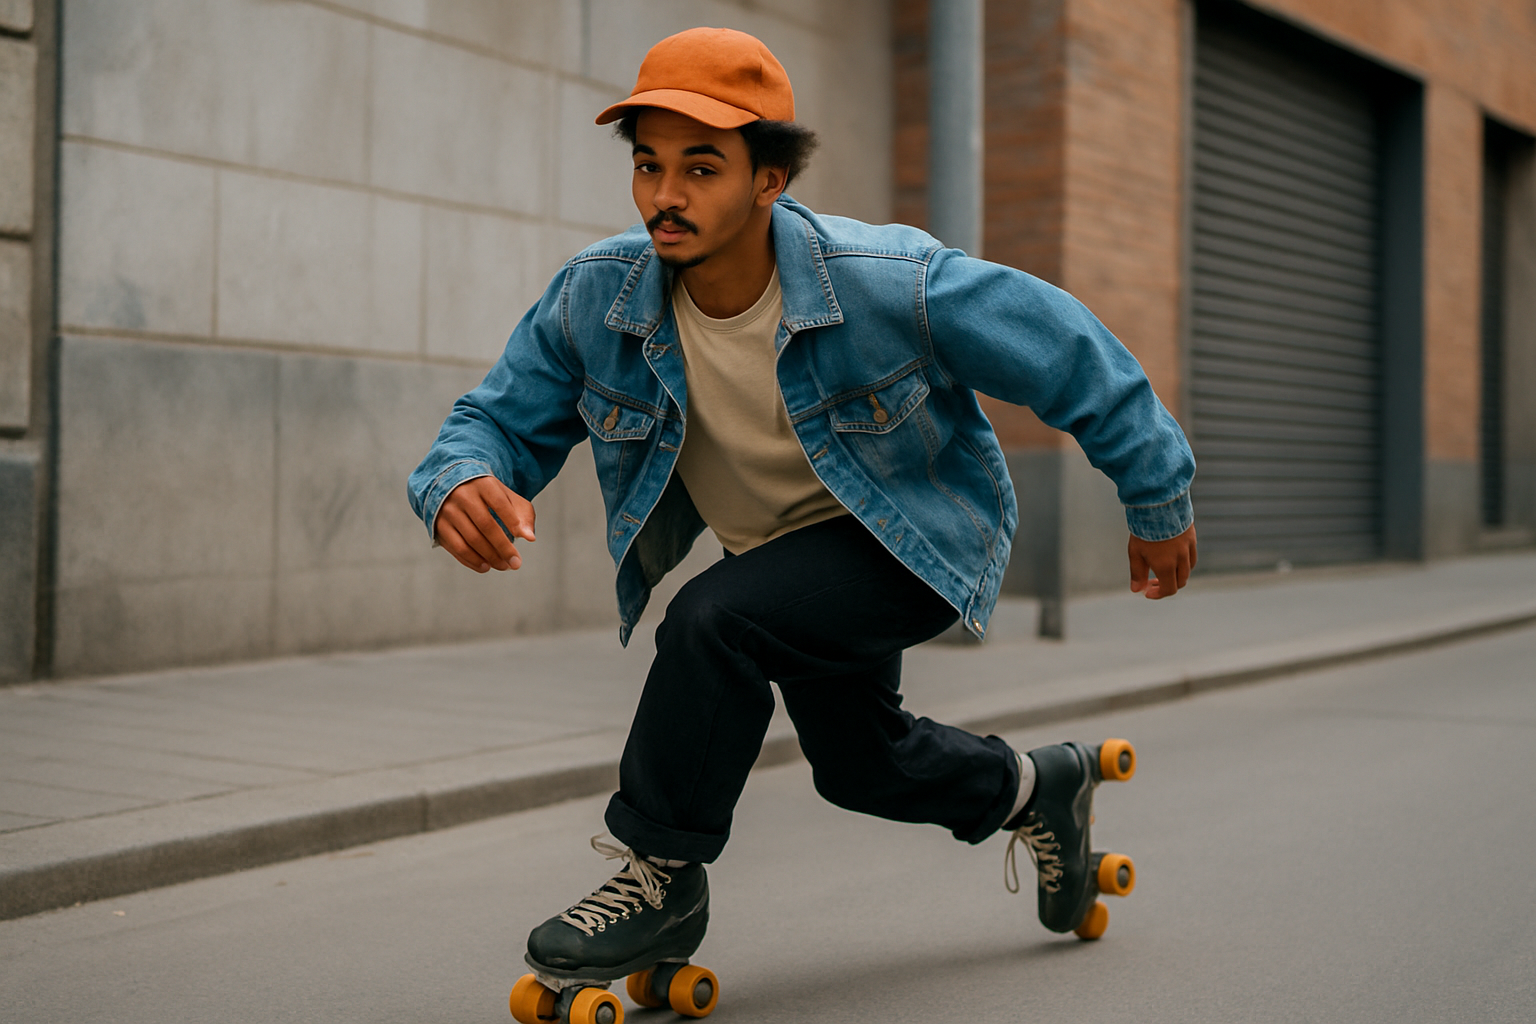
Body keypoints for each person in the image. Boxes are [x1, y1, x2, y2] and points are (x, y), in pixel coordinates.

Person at [408, 25, 1196, 1016]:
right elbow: (493, 418)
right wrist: (461, 479)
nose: (665, 194)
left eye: (701, 167)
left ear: (769, 178)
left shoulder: (885, 279)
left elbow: (1063, 345)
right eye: (649, 166)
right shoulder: (599, 296)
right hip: (785, 562)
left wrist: (1154, 491)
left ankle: (660, 876)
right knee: (862, 766)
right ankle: (1040, 790)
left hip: (910, 541)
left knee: (714, 619)